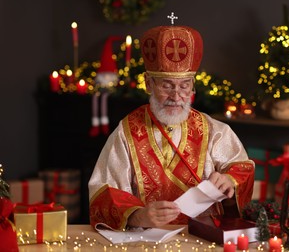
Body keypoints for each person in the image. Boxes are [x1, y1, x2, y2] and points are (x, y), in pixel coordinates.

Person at [88, 23, 255, 230]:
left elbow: (243, 168)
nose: (176, 96)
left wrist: (229, 180)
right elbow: (103, 190)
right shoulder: (126, 132)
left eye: (184, 85)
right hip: (146, 240)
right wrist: (138, 216)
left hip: (204, 237)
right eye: (166, 85)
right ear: (149, 83)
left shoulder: (215, 131)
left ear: (192, 85)